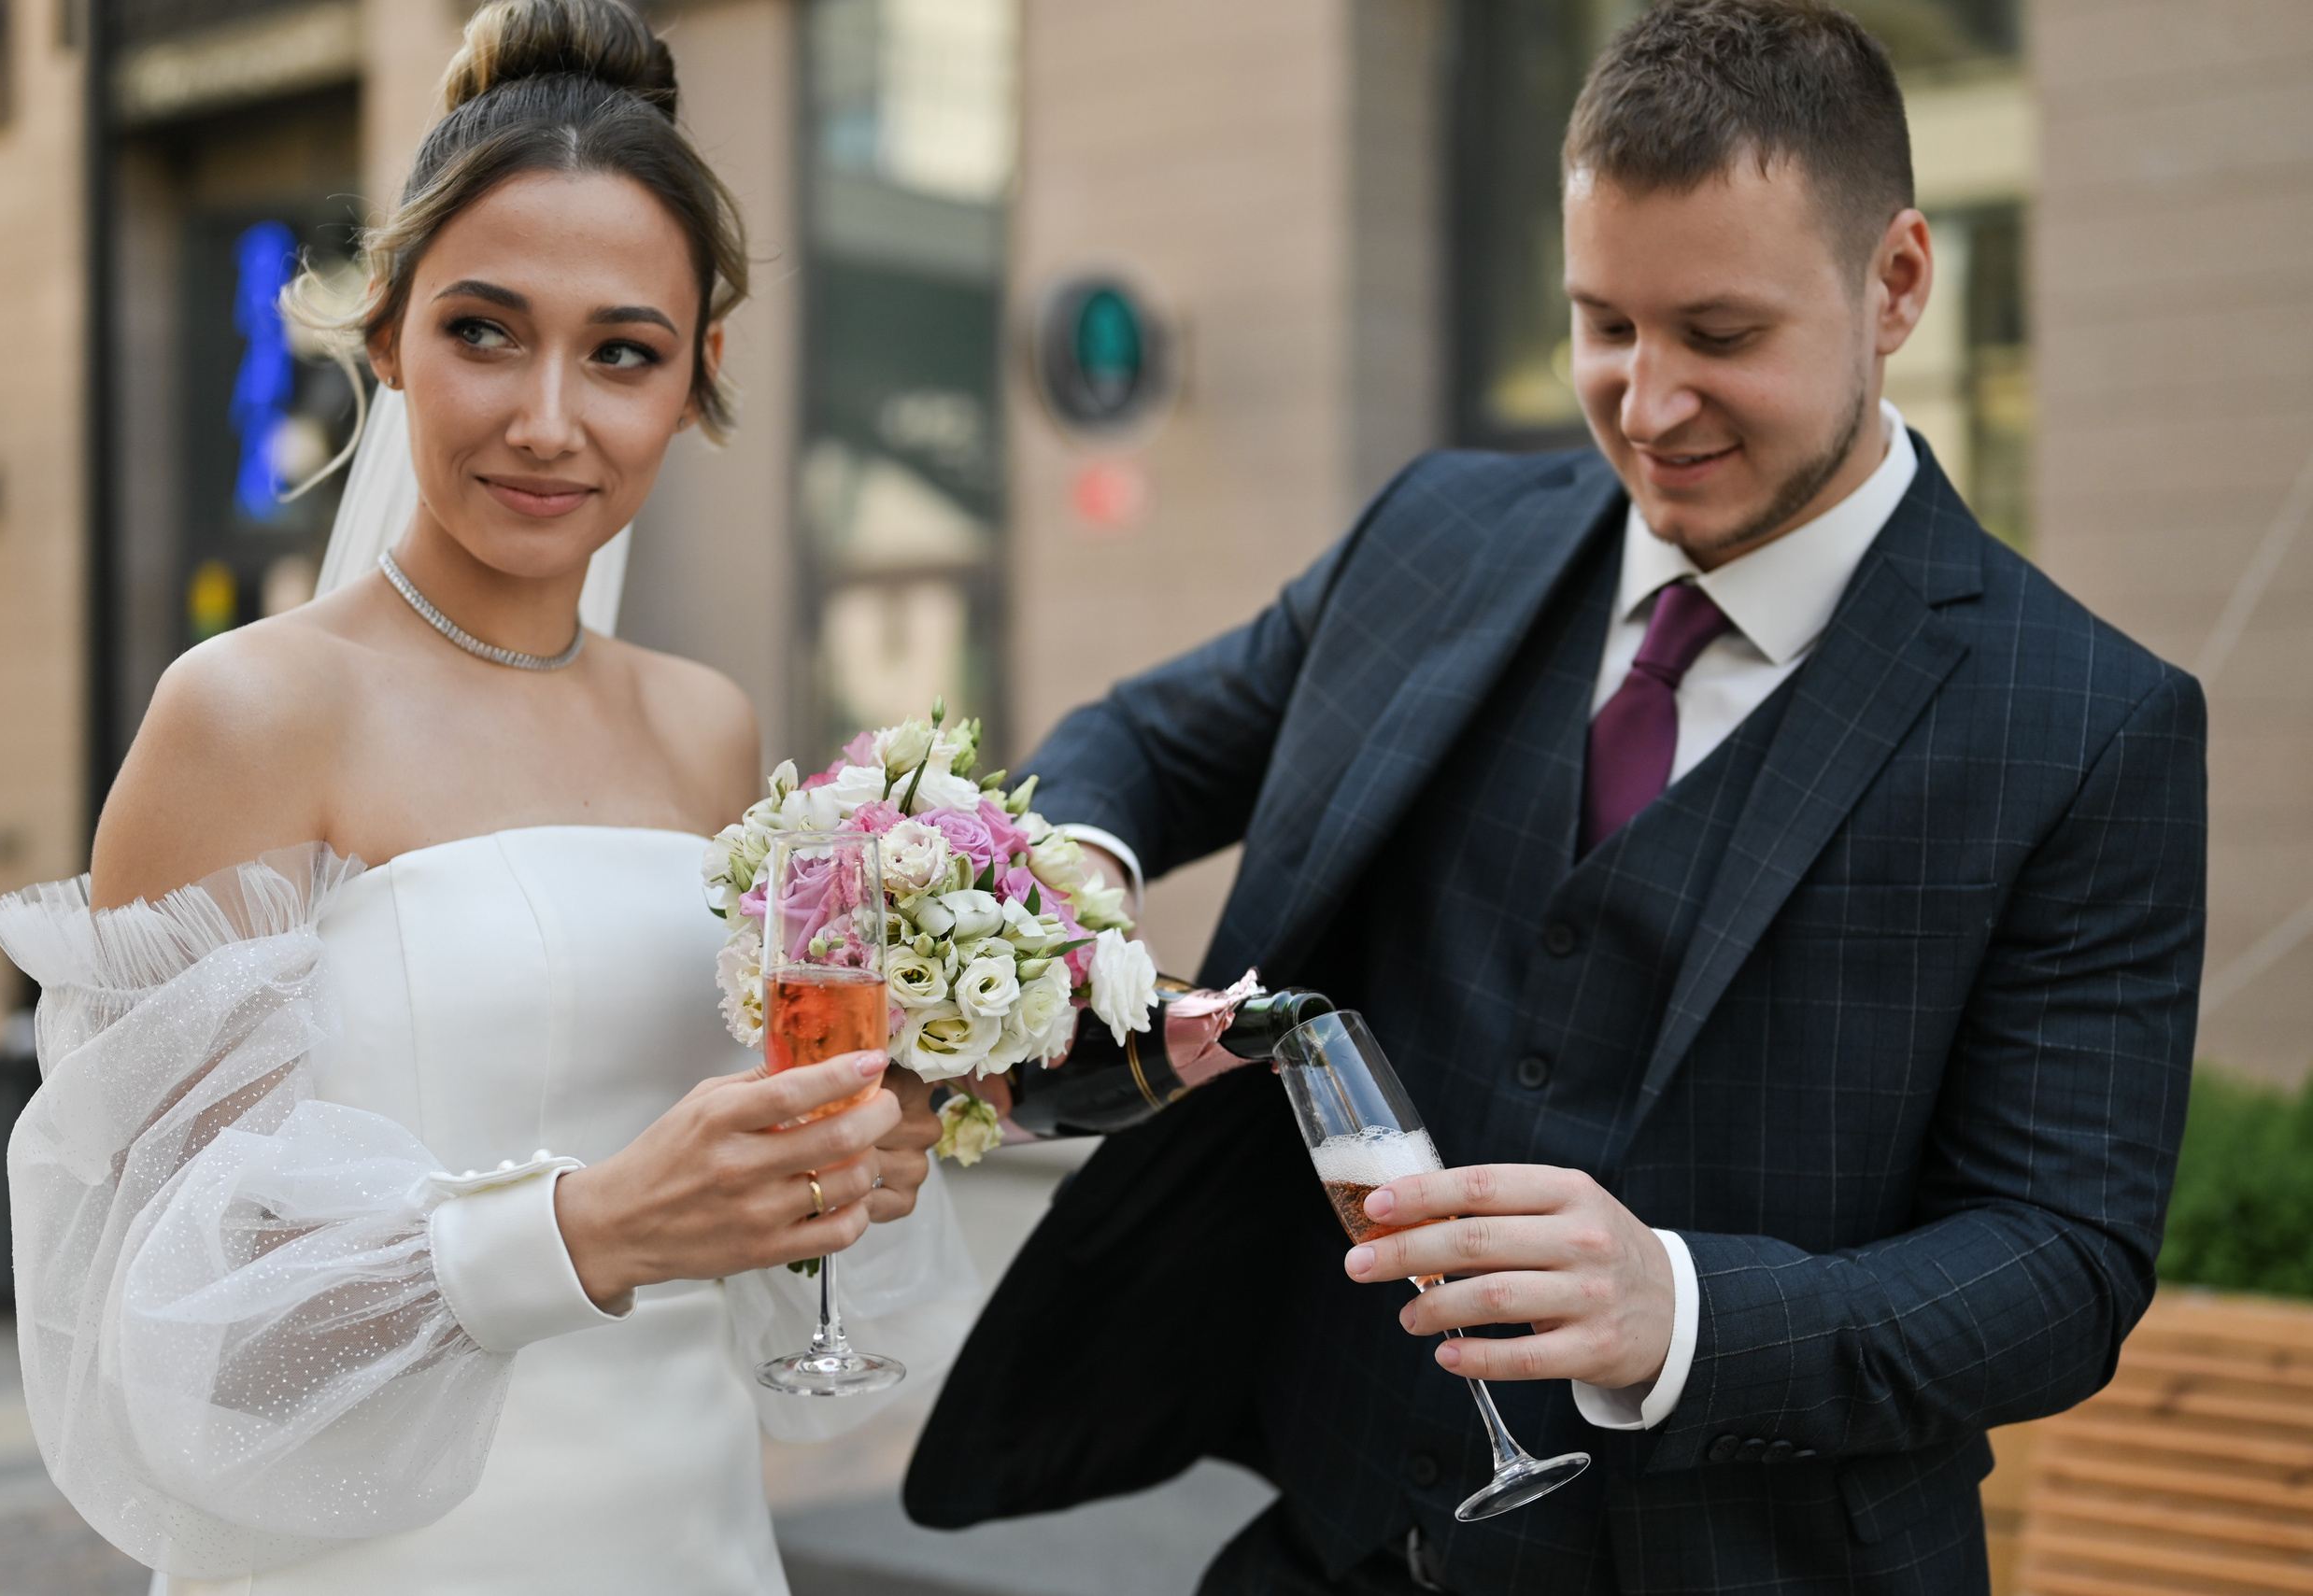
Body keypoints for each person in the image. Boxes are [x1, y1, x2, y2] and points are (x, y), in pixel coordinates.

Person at [905, 2, 2206, 1591]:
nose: (1648, 404)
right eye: (1605, 324)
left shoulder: (2091, 723)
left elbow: (2063, 1262)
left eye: (1720, 334)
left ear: (1897, 283)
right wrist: (1078, 887)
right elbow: (1150, 745)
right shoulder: (1441, 529)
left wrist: (1687, 1310)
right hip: (1322, 1541)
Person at [0, 3, 972, 1590]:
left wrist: (838, 1171)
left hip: (690, 1540)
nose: (548, 420)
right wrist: (583, 1230)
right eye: (485, 332)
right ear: (387, 335)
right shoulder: (247, 713)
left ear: (700, 376)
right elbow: (175, 1327)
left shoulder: (708, 728)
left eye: (623, 352)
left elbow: (745, 1219)